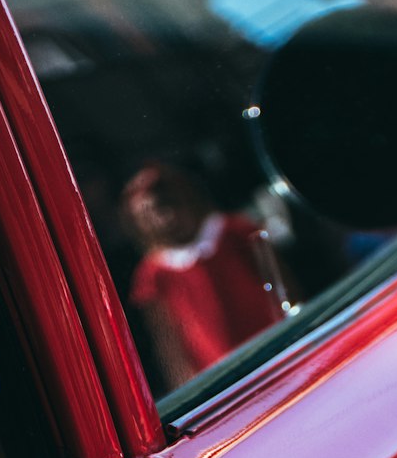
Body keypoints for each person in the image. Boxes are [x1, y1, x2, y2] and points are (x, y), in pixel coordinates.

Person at [121, 164, 288, 390]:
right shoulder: (152, 274)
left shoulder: (236, 232)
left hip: (278, 353)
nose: (162, 220)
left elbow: (283, 288)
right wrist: (188, 387)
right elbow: (168, 343)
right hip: (223, 382)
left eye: (165, 206)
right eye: (146, 215)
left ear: (186, 199)